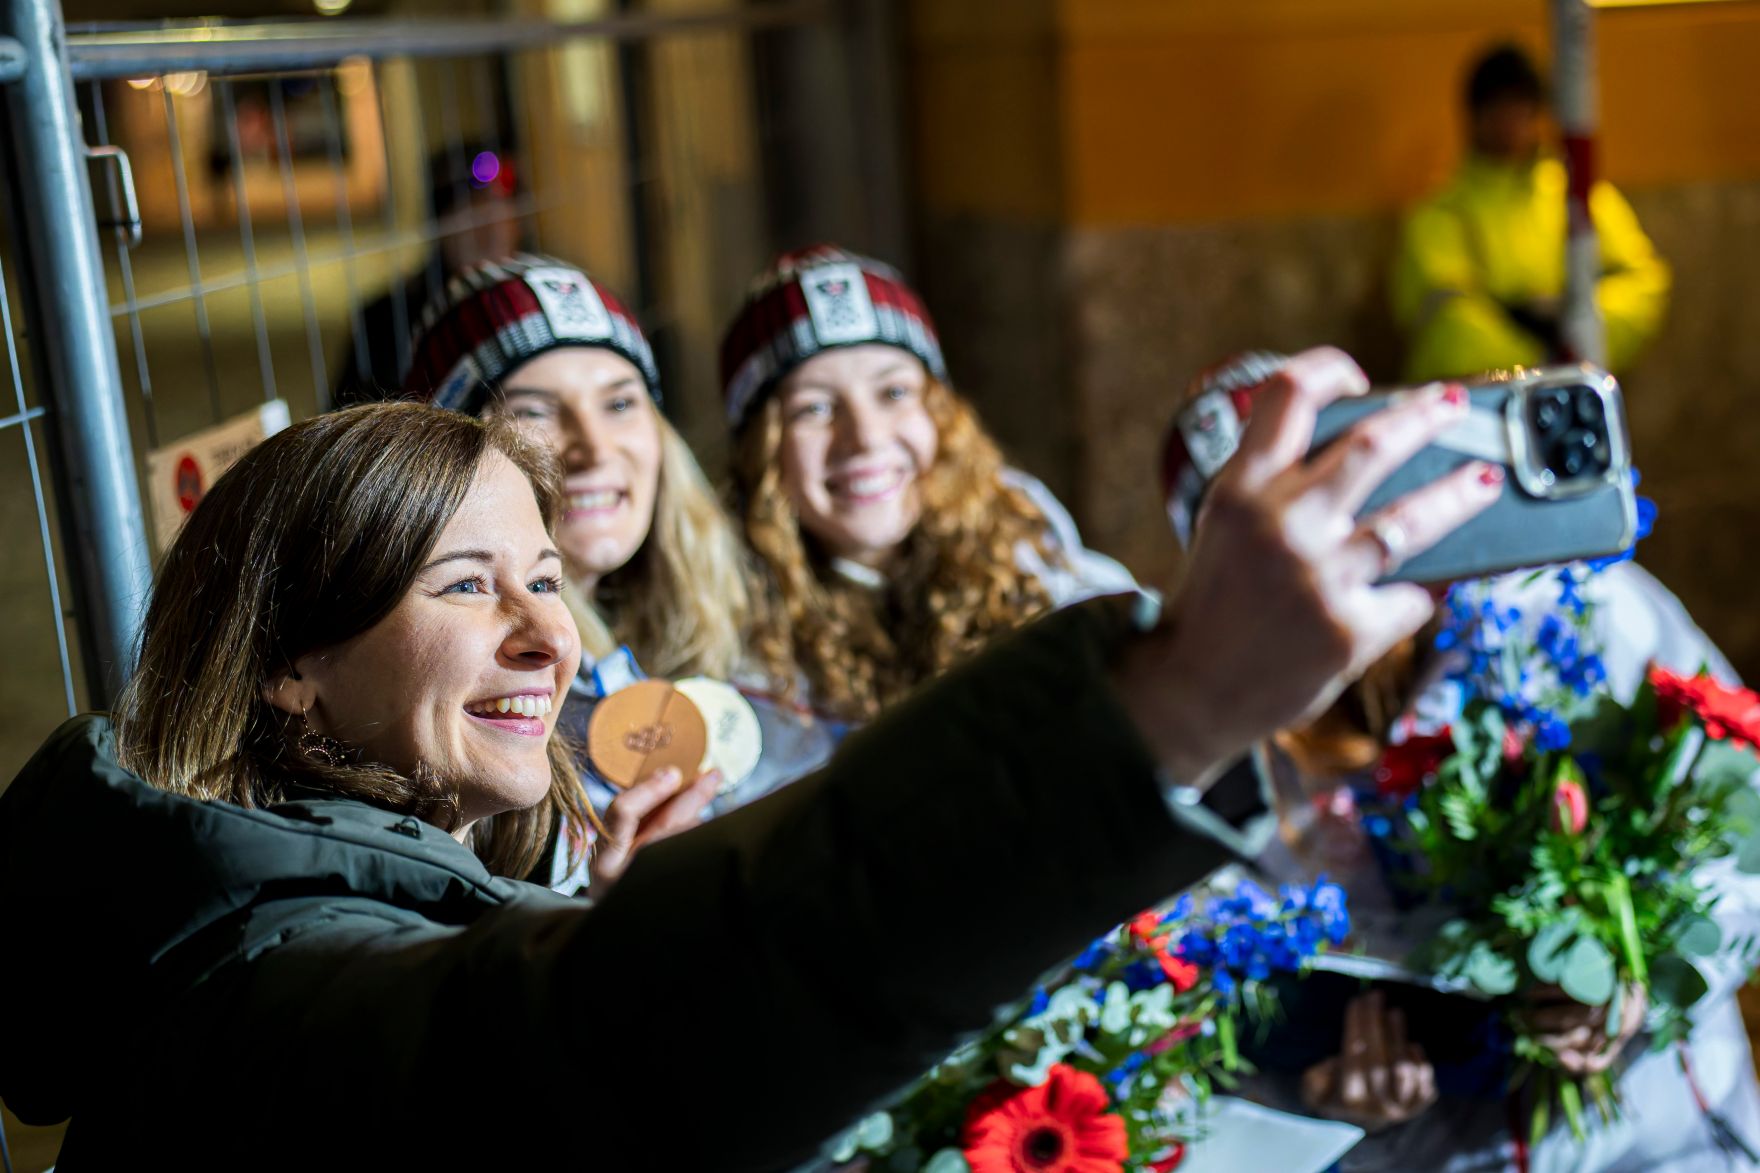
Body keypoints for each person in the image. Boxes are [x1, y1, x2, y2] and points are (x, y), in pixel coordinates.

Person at [0, 348, 1502, 1166]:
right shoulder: (262, 995)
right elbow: (600, 1055)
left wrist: (596, 928)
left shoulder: (315, 909)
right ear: (289, 672)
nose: (549, 640)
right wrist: (1167, 702)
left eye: (547, 582)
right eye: (466, 586)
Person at [1161, 352, 1760, 1170]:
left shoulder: (1572, 618)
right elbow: (1216, 1005)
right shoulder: (1212, 746)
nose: (1303, 558)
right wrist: (1321, 1097)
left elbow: (1742, 823)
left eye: (1318, 494)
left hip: (1662, 1140)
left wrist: (1646, 975)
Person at [399, 254, 838, 883]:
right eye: (534, 412)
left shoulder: (742, 598)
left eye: (620, 403)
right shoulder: (466, 689)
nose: (596, 449)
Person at [722, 244, 1137, 724]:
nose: (866, 438)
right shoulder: (738, 649)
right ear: (761, 452)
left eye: (894, 392)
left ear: (939, 413)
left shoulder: (1032, 556)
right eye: (814, 408)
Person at [1391, 44, 1670, 383]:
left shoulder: (1579, 195)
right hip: (1478, 402)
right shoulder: (1442, 214)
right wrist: (1538, 365)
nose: (1510, 122)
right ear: (1474, 117)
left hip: (1572, 387)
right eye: (1497, 108)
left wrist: (1579, 337)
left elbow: (1642, 283)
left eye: (1520, 107)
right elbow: (1448, 323)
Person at [331, 141, 527, 407]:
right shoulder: (387, 320)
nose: (492, 231)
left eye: (502, 212)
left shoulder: (539, 300)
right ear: (441, 227)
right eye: (474, 215)